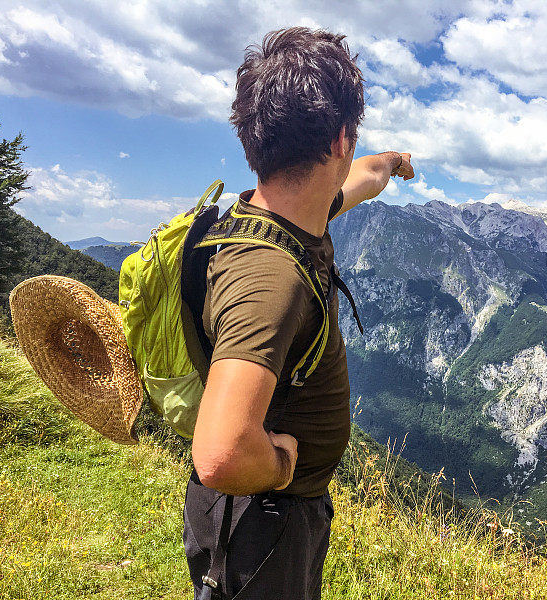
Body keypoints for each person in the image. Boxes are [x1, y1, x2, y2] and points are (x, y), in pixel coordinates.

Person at [183, 26, 415, 599]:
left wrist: (390, 162)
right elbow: (220, 453)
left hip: (271, 517)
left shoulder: (291, 217)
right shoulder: (270, 278)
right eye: (353, 139)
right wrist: (284, 463)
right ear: (339, 138)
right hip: (262, 523)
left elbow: (360, 179)